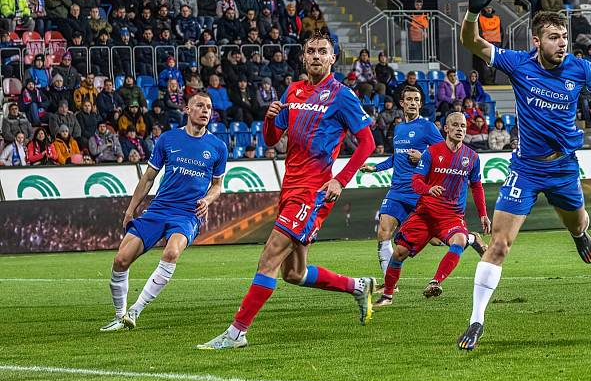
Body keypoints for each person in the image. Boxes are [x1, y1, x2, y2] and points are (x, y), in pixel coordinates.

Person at [457, 0, 591, 351]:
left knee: (577, 223)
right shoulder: (517, 64)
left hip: (563, 168)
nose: (561, 43)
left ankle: (579, 235)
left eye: (564, 36)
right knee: (499, 244)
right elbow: (472, 42)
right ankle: (476, 320)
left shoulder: (579, 69)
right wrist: (472, 13)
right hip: (526, 169)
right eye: (553, 37)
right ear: (536, 40)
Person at [198, 31, 377, 350]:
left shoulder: (341, 95)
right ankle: (358, 286)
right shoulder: (293, 90)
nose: (317, 56)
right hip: (289, 188)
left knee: (268, 257)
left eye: (323, 51)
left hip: (313, 191)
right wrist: (268, 120)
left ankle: (237, 332)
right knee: (293, 273)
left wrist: (340, 179)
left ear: (333, 58)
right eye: (311, 51)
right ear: (304, 57)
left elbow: (368, 142)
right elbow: (271, 139)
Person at [100, 92, 228, 333]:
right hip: (159, 209)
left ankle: (135, 310)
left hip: (188, 213)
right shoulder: (168, 139)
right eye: (199, 106)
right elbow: (149, 177)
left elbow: (217, 186)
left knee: (171, 252)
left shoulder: (218, 147)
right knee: (120, 260)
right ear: (187, 110)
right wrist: (131, 209)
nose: (205, 111)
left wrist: (208, 200)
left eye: (209, 108)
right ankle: (119, 316)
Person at [360, 85, 486, 276]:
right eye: (409, 100)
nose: (412, 103)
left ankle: (471, 238)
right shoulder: (399, 128)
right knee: (383, 232)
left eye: (416, 100)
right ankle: (389, 286)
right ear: (402, 103)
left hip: (421, 192)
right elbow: (397, 157)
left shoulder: (427, 127)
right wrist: (376, 167)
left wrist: (423, 156)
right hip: (398, 190)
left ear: (420, 104)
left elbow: (445, 151)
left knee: (436, 240)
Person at [374, 112, 491, 306]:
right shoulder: (431, 153)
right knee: (399, 253)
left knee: (459, 240)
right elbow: (416, 181)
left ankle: (435, 282)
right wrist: (429, 189)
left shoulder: (472, 157)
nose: (460, 129)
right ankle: (387, 295)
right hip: (425, 214)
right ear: (446, 128)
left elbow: (476, 187)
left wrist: (483, 215)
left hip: (451, 216)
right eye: (455, 125)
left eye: (462, 126)